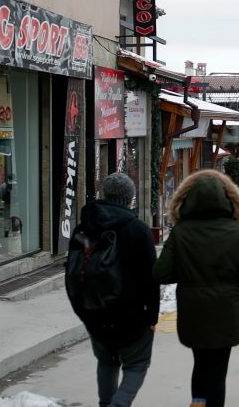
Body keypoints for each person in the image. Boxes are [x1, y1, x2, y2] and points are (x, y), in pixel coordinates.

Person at [154, 170, 239, 407]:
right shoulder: (235, 231)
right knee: (218, 368)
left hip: (193, 310)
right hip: (226, 309)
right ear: (228, 198)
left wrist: (187, 276)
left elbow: (160, 272)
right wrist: (234, 279)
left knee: (200, 361)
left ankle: (197, 402)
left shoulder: (181, 232)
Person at [68, 172, 160, 407]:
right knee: (136, 365)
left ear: (105, 194)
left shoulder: (84, 228)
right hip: (132, 316)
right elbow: (152, 278)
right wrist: (152, 317)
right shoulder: (137, 230)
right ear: (129, 198)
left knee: (107, 362)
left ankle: (105, 404)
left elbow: (72, 275)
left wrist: (84, 313)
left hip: (96, 312)